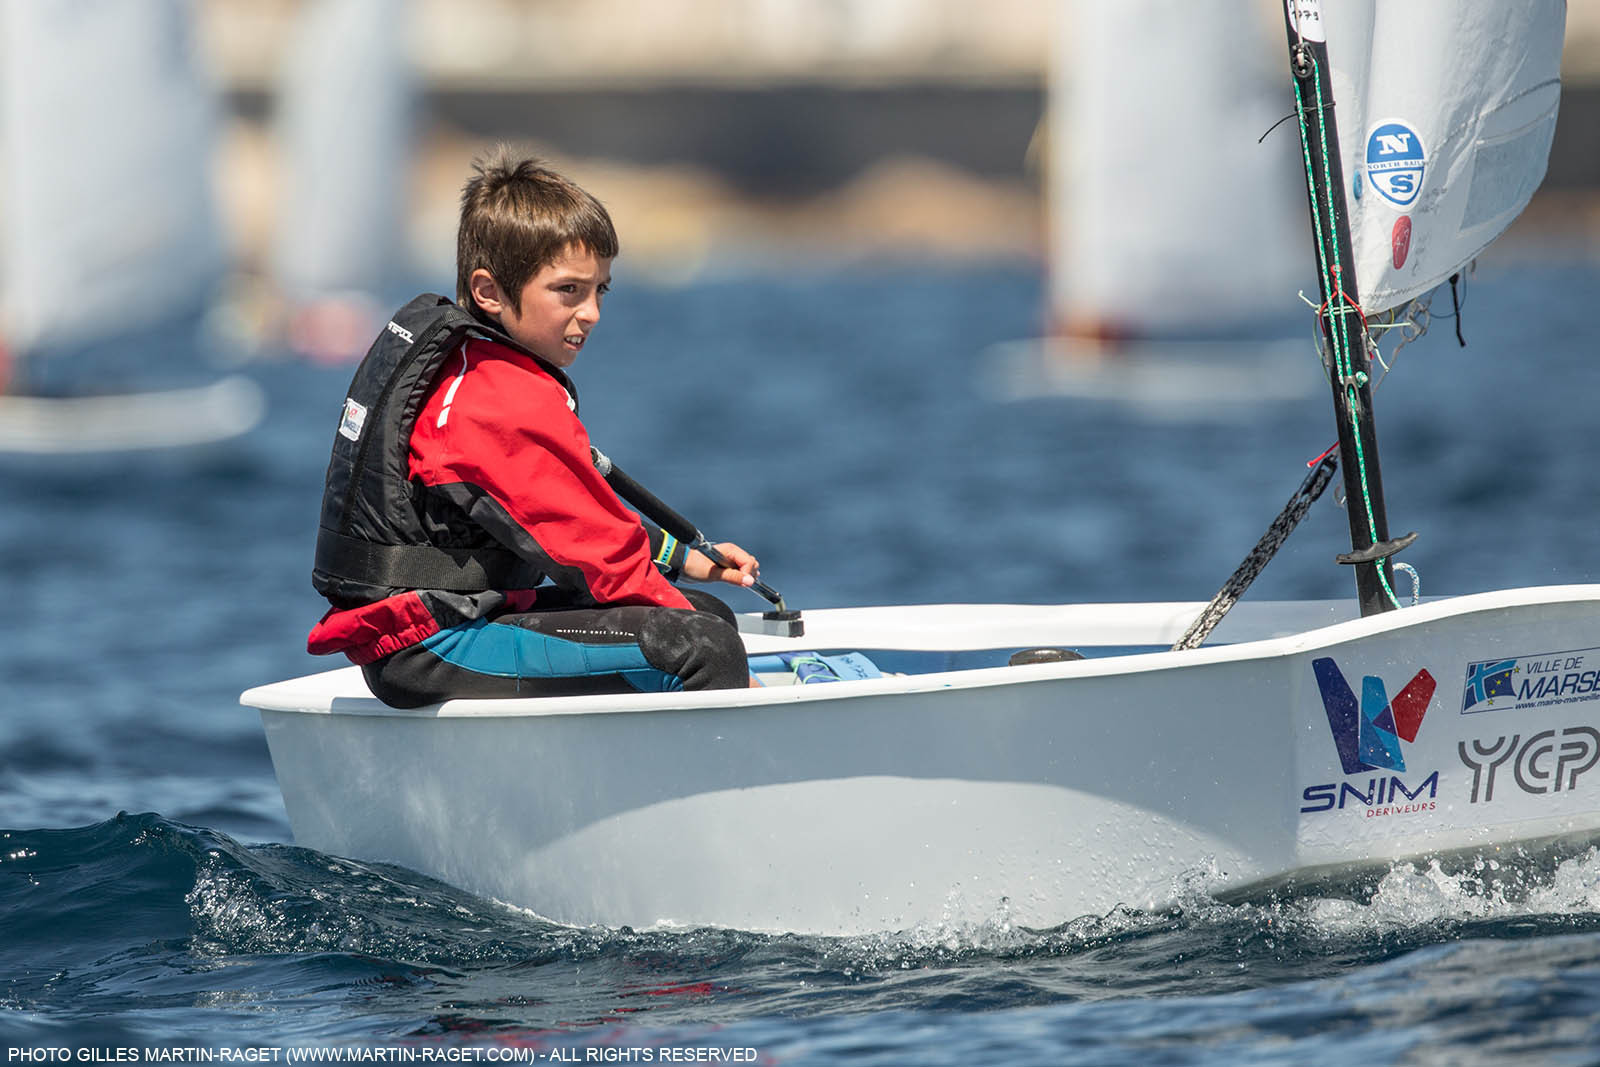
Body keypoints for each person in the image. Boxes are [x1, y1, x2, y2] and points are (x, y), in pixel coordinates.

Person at [306, 150, 760, 707]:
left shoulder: (479, 368)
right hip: (433, 644)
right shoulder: (495, 399)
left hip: (460, 617)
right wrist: (747, 684)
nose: (592, 312)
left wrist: (685, 559)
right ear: (489, 292)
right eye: (568, 290)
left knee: (706, 614)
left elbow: (577, 520)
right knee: (701, 645)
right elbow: (594, 557)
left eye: (600, 291)